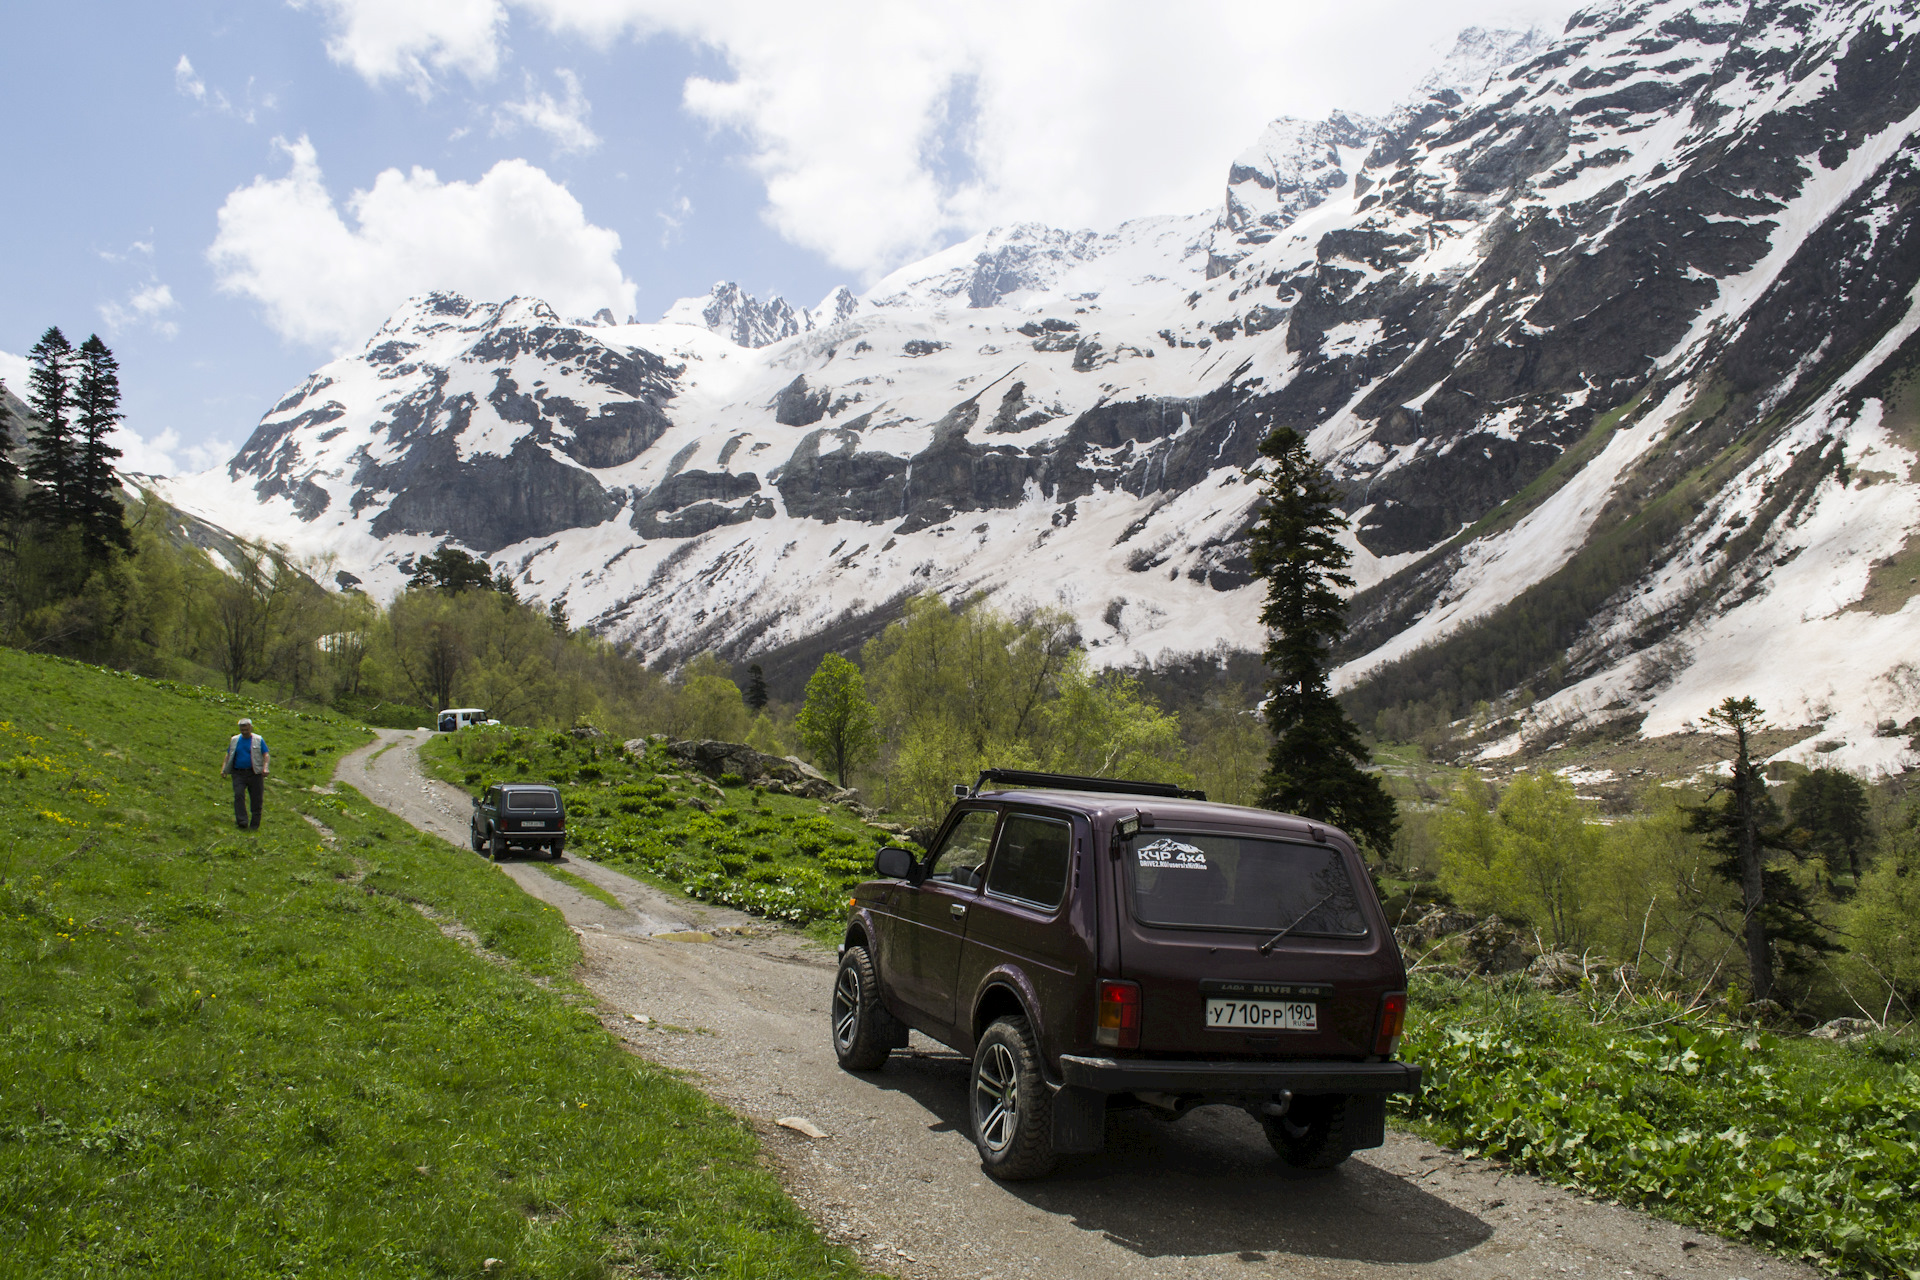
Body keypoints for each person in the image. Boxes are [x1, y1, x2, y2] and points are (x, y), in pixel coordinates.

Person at [221, 716, 270, 830]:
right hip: (238, 773)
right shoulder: (234, 740)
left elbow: (266, 755)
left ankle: (254, 825)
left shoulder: (258, 739)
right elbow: (228, 755)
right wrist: (224, 769)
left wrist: (265, 767)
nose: (244, 732)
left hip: (255, 773)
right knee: (238, 795)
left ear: (251, 728)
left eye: (246, 730)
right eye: (242, 730)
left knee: (256, 799)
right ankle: (242, 821)